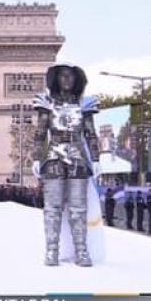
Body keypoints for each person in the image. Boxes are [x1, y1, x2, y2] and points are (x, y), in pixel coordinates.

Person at [31, 63, 101, 267]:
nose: (67, 80)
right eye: (63, 76)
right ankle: (52, 250)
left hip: (78, 156)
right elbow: (40, 133)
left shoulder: (85, 104)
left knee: (79, 208)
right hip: (54, 155)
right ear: (56, 78)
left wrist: (95, 159)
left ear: (77, 79)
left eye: (70, 76)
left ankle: (82, 251)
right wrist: (36, 157)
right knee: (52, 208)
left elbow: (91, 134)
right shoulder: (46, 103)